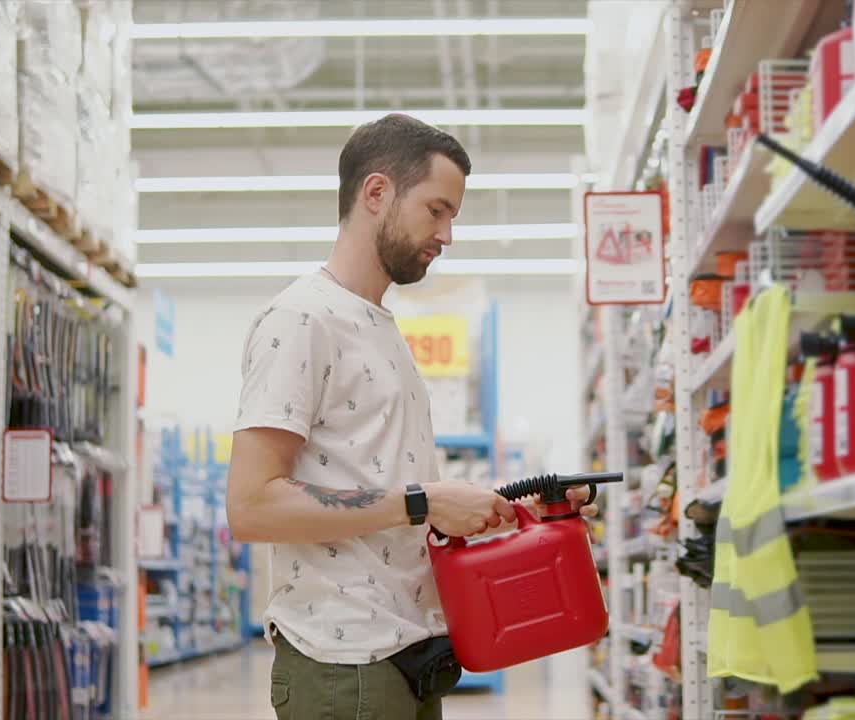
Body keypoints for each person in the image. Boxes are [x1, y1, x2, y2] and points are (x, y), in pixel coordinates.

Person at [225, 114, 597, 720]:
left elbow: (391, 501)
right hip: (344, 667)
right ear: (377, 193)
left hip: (405, 656)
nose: (447, 234)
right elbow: (251, 506)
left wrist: (516, 512)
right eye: (437, 210)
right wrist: (423, 500)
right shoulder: (302, 320)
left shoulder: (381, 329)